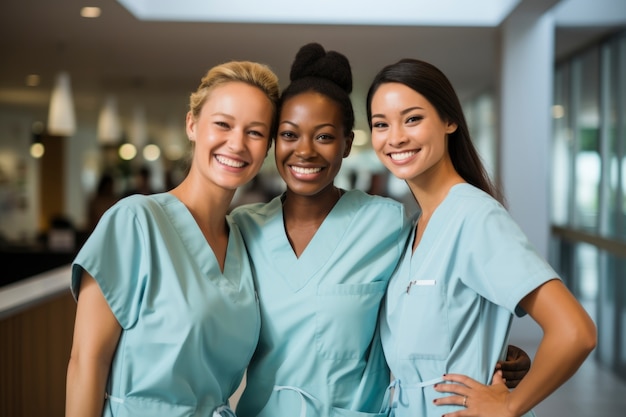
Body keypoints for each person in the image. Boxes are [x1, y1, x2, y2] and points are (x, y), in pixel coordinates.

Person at [231, 43, 528, 417]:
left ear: (347, 144)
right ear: (275, 140)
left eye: (324, 136)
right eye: (289, 135)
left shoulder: (387, 223)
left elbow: (435, 298)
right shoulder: (242, 229)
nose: (304, 151)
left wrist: (495, 353)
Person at [366, 58, 597, 417]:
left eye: (412, 119)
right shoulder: (414, 226)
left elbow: (575, 332)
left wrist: (509, 406)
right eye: (381, 124)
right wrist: (497, 351)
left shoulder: (476, 217)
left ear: (449, 121)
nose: (395, 137)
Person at [65, 60, 280, 417]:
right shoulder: (135, 222)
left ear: (267, 147)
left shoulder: (244, 241)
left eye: (255, 132)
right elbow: (86, 361)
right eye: (223, 124)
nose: (237, 143)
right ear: (192, 125)